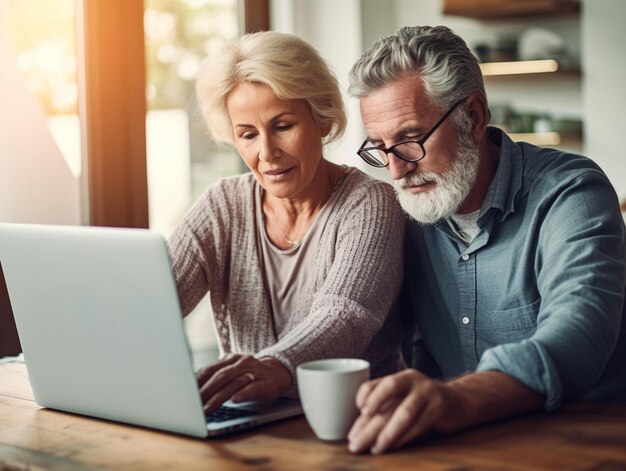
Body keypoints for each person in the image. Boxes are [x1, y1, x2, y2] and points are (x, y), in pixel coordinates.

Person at [346, 25, 626, 454]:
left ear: (473, 117)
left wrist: (456, 399)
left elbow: (577, 338)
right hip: (459, 449)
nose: (396, 170)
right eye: (380, 148)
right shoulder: (408, 211)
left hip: (585, 444)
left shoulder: (571, 192)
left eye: (410, 140)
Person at [167, 31, 406, 415]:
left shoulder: (371, 204)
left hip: (358, 423)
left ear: (322, 121)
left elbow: (345, 315)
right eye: (247, 134)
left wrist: (275, 366)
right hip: (246, 420)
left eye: (282, 126)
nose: (266, 154)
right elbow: (160, 298)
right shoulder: (222, 206)